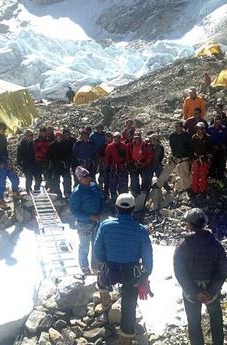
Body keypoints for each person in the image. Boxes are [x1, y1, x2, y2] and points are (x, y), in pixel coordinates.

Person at [94, 193, 153, 345]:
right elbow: (147, 256)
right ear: (133, 209)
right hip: (131, 272)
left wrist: (103, 263)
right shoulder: (140, 230)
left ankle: (105, 304)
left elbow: (97, 249)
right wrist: (146, 273)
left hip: (110, 270)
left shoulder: (105, 225)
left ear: (116, 207)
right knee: (129, 306)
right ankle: (125, 339)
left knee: (102, 281)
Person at [174, 208, 227, 345]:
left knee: (193, 322)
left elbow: (180, 272)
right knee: (216, 319)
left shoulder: (183, 245)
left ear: (190, 225)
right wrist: (210, 291)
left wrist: (195, 292)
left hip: (191, 292)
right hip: (212, 290)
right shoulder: (216, 244)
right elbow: (222, 270)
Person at [69, 166, 103, 275]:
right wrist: (89, 216)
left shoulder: (94, 186)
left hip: (97, 222)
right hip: (84, 224)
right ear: (79, 178)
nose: (88, 178)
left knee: (97, 245)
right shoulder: (77, 192)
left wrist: (100, 211)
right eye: (85, 176)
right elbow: (74, 211)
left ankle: (96, 265)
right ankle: (84, 265)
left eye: (88, 175)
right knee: (84, 246)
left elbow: (100, 199)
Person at [0, 121, 20, 209]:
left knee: (14, 177)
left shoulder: (3, 137)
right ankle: (0, 200)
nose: (4, 131)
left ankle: (15, 191)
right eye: (3, 129)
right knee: (1, 183)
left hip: (5, 161)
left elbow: (5, 151)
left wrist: (9, 161)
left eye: (5, 129)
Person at [47, 131, 72, 198]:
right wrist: (49, 165)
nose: (59, 138)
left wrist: (67, 162)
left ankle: (67, 193)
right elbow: (49, 156)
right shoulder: (52, 145)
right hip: (55, 165)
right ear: (55, 138)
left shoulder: (66, 144)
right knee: (56, 180)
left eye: (60, 137)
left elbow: (69, 154)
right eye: (57, 137)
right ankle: (58, 193)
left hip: (64, 165)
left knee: (67, 179)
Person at [104, 132, 130, 199]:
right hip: (113, 167)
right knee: (113, 182)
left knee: (122, 182)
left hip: (122, 167)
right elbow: (107, 157)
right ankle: (113, 196)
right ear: (113, 138)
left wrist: (125, 163)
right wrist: (107, 166)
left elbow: (127, 156)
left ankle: (121, 196)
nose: (117, 139)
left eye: (118, 138)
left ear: (120, 138)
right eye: (115, 138)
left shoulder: (124, 146)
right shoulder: (109, 146)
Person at [169, 121, 192, 192]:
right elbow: (172, 146)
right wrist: (172, 155)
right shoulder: (172, 135)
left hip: (185, 157)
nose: (177, 128)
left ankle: (188, 188)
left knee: (186, 173)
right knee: (180, 174)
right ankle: (184, 187)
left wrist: (190, 157)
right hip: (177, 157)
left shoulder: (186, 135)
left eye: (178, 126)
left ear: (182, 127)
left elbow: (190, 146)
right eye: (176, 126)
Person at [191, 122, 213, 194]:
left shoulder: (208, 137)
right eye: (197, 128)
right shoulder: (194, 137)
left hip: (204, 159)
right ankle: (194, 189)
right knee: (195, 174)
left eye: (200, 129)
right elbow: (191, 148)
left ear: (203, 129)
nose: (198, 130)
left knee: (203, 174)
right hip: (196, 158)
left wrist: (209, 157)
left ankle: (202, 189)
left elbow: (211, 149)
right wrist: (192, 157)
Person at [207, 115, 227, 182]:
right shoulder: (210, 128)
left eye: (219, 120)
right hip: (212, 149)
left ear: (220, 121)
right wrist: (212, 146)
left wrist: (218, 145)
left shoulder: (223, 128)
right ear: (214, 119)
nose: (217, 121)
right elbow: (208, 138)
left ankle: (220, 178)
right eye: (216, 120)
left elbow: (224, 138)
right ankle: (212, 177)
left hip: (220, 148)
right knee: (212, 163)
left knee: (220, 163)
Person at [90, 125, 108, 194]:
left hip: (103, 155)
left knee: (102, 169)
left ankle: (101, 185)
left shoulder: (105, 135)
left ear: (103, 129)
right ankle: (93, 184)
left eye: (101, 128)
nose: (99, 129)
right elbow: (90, 144)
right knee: (93, 169)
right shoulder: (92, 136)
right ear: (96, 129)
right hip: (95, 155)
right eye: (98, 128)